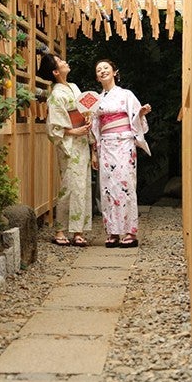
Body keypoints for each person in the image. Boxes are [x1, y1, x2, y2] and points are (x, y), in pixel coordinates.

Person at [91, 59, 151, 248]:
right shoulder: (96, 100)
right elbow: (94, 127)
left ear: (115, 72)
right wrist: (94, 151)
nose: (102, 71)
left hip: (124, 143)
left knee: (125, 184)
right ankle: (113, 232)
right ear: (96, 76)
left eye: (106, 68)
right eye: (99, 70)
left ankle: (130, 232)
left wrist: (140, 114)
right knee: (107, 188)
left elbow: (137, 121)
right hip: (106, 145)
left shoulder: (126, 95)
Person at [37, 53, 92, 246]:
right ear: (55, 71)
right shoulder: (56, 94)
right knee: (69, 186)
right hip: (70, 142)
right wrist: (73, 130)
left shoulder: (74, 88)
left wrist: (87, 118)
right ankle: (60, 231)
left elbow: (86, 109)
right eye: (60, 62)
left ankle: (78, 232)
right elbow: (54, 126)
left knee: (82, 186)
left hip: (82, 141)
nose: (65, 62)